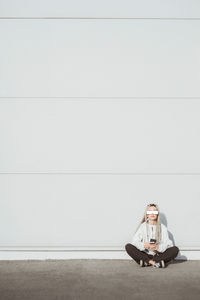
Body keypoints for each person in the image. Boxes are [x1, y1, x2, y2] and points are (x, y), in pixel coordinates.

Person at [125, 203, 179, 268]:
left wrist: (158, 247)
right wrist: (144, 245)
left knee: (175, 249)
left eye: (155, 211)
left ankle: (146, 262)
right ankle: (155, 262)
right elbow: (134, 242)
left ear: (157, 214)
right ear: (147, 214)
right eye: (150, 211)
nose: (152, 213)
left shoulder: (162, 227)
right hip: (145, 253)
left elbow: (169, 244)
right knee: (128, 246)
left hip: (158, 254)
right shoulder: (142, 227)